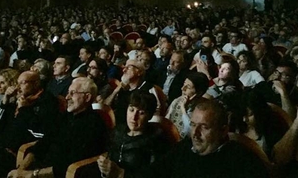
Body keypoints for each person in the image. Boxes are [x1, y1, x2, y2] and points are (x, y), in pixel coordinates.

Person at [120, 99, 269, 178]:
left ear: (223, 131)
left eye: (204, 127)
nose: (195, 133)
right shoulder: (184, 148)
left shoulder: (242, 161)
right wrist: (122, 175)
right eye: (192, 125)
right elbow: (154, 173)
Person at [7, 77, 109, 178]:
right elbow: (44, 142)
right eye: (68, 92)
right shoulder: (65, 116)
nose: (67, 97)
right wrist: (21, 170)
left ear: (87, 97)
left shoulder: (93, 125)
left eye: (72, 93)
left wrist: (31, 174)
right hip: (42, 168)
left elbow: (68, 165)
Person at [97, 91, 169, 178]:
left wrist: (121, 173)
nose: (134, 117)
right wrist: (104, 168)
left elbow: (154, 174)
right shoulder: (118, 131)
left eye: (141, 113)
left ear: (149, 116)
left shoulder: (156, 140)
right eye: (131, 110)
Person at [165, 72, 209, 139]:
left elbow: (190, 132)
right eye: (184, 85)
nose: (182, 89)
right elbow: (166, 122)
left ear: (199, 93)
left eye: (188, 87)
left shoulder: (204, 109)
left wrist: (183, 109)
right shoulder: (178, 100)